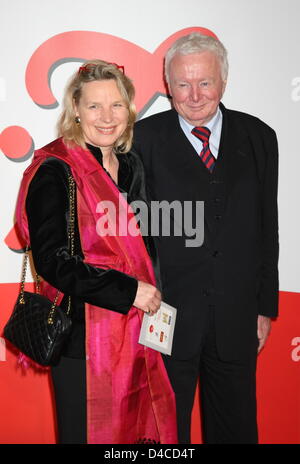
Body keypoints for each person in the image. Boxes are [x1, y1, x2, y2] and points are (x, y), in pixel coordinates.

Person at [15, 60, 177, 444]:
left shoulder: (130, 165)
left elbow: (145, 248)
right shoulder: (55, 170)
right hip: (82, 342)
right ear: (75, 110)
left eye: (116, 105)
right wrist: (128, 291)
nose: (107, 117)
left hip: (138, 332)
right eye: (94, 106)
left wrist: (152, 297)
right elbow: (54, 262)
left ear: (130, 110)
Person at [133, 33, 279, 444]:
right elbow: (134, 234)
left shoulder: (260, 138)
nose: (194, 96)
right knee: (162, 435)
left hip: (237, 318)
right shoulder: (140, 140)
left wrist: (264, 306)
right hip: (165, 317)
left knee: (235, 430)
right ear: (167, 85)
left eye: (205, 83)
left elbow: (268, 226)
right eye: (183, 84)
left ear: (224, 82)